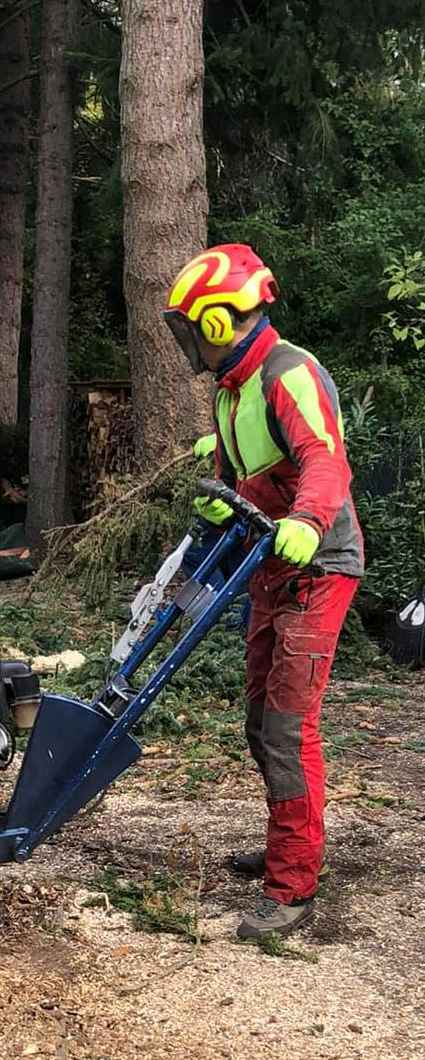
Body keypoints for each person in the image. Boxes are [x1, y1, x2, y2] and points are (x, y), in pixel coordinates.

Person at [164, 244, 364, 939]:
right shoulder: (230, 391)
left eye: (190, 326)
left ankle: (292, 887)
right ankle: (290, 841)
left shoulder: (289, 371)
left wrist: (307, 521)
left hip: (317, 564)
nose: (187, 341)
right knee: (258, 720)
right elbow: (237, 471)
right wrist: (221, 502)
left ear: (218, 322)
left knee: (286, 728)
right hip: (267, 567)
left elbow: (322, 458)